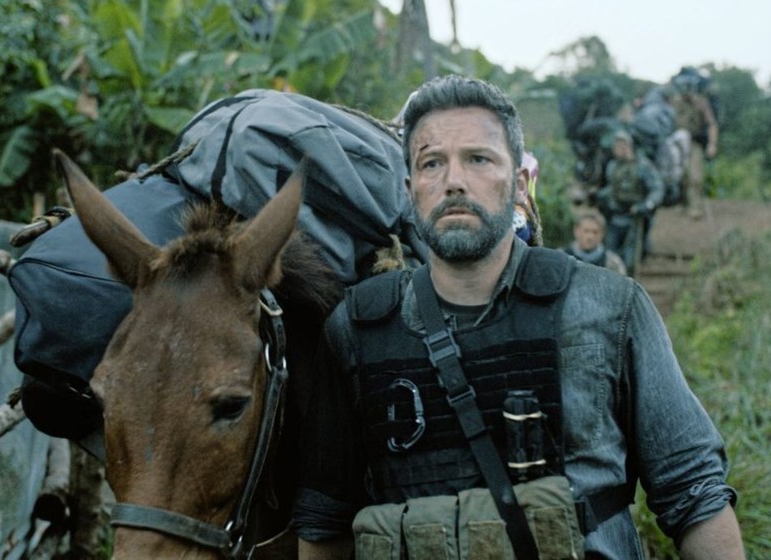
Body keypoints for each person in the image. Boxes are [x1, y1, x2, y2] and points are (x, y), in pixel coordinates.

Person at [292, 75, 744, 560]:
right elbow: (325, 523)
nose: (454, 180)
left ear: (520, 184)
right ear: (410, 190)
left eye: (479, 159)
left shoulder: (610, 308)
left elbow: (694, 493)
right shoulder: (357, 330)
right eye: (432, 163)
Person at [595, 129, 664, 276]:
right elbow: (612, 188)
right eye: (615, 146)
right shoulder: (612, 166)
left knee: (631, 258)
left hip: (634, 216)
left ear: (628, 146)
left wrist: (647, 205)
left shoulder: (643, 166)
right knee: (610, 256)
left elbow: (657, 188)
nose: (617, 150)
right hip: (615, 216)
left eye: (620, 145)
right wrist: (600, 197)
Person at [669, 67, 719, 219]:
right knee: (680, 175)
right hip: (676, 143)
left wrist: (712, 144)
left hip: (694, 142)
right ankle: (682, 203)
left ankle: (695, 207)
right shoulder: (674, 102)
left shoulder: (701, 102)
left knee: (695, 176)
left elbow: (712, 124)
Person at [563, 211, 627, 275]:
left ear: (602, 234)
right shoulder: (562, 258)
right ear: (576, 231)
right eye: (586, 231)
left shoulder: (612, 263)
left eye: (595, 232)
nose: (590, 236)